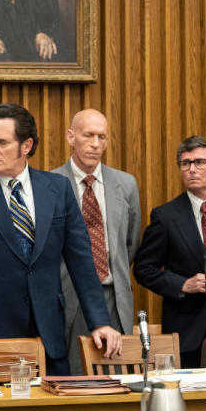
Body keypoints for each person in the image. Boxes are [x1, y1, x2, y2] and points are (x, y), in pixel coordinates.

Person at [0, 103, 123, 378]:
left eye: (2, 142)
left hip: (48, 332)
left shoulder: (58, 189)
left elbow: (82, 261)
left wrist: (99, 322)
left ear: (26, 146)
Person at [51, 109, 140, 374]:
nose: (95, 144)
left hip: (114, 295)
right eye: (88, 135)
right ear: (71, 136)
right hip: (69, 295)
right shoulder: (51, 184)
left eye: (102, 137)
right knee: (74, 375)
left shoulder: (126, 184)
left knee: (119, 376)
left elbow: (130, 242)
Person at [133, 136, 206, 369]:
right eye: (185, 164)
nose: (191, 170)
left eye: (199, 162)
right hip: (187, 332)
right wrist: (182, 284)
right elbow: (143, 269)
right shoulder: (165, 216)